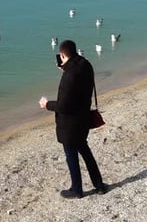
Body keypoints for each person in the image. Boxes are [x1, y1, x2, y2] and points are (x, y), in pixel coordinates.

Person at [39, 40, 106, 199]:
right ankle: (99, 185)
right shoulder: (86, 64)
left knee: (71, 156)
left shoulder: (69, 75)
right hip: (83, 118)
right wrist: (65, 68)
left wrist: (47, 104)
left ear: (62, 55)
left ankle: (76, 189)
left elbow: (63, 105)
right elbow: (78, 88)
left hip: (69, 124)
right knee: (85, 152)